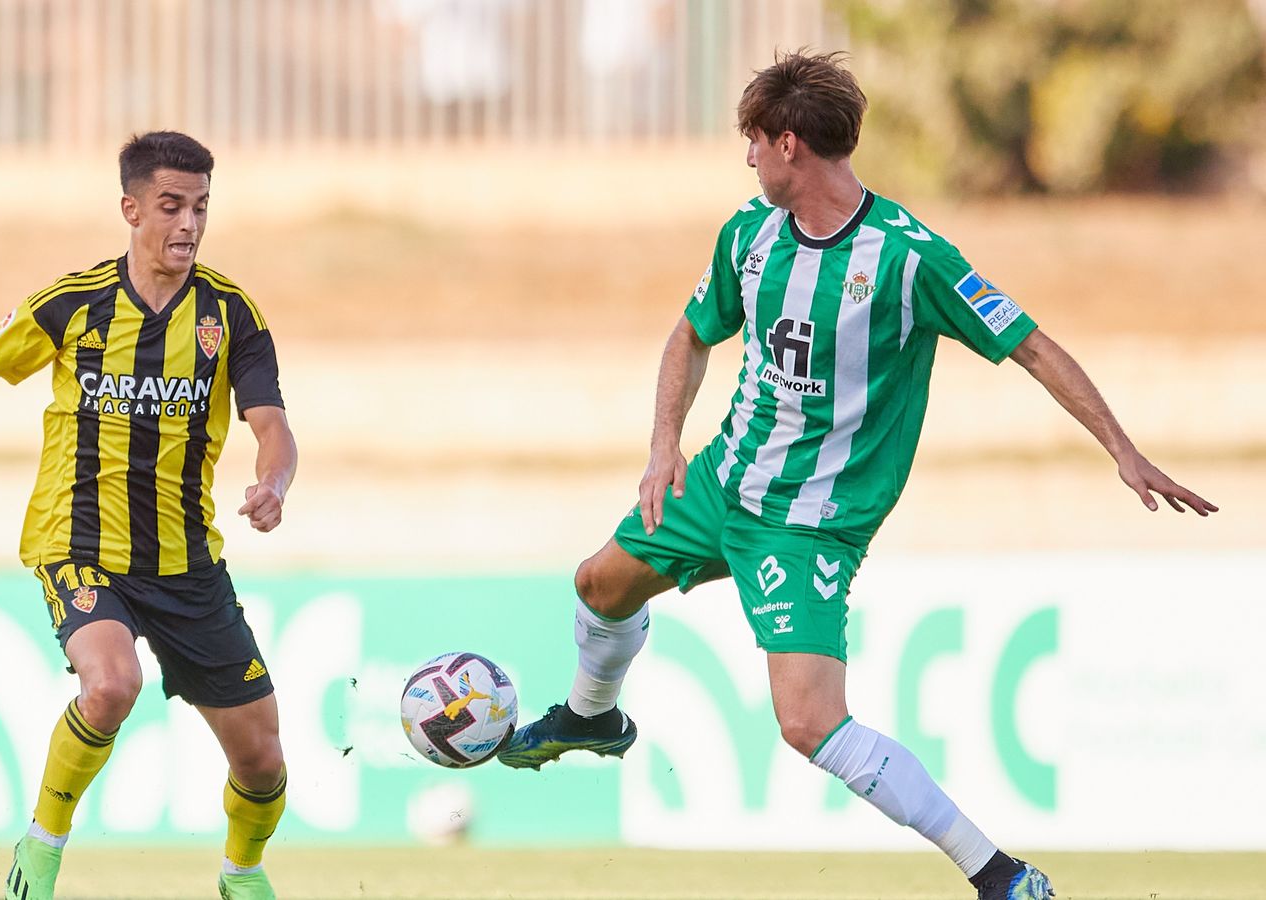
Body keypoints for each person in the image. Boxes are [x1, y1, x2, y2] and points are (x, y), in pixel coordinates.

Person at [497, 51, 1216, 900]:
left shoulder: (911, 259)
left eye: (755, 143)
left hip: (810, 520)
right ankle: (594, 717)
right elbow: (691, 336)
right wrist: (665, 444)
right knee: (600, 585)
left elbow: (1028, 342)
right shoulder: (749, 234)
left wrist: (1120, 447)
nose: (749, 159)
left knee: (807, 723)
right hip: (723, 479)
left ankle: (999, 874)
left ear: (790, 143)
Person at [0, 132, 297, 900]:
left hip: (188, 563)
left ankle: (242, 873)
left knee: (263, 762)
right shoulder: (72, 304)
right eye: (171, 205)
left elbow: (271, 425)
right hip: (79, 546)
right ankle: (43, 842)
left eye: (201, 207)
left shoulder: (229, 314)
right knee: (110, 687)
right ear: (131, 208)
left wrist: (275, 484)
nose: (189, 224)